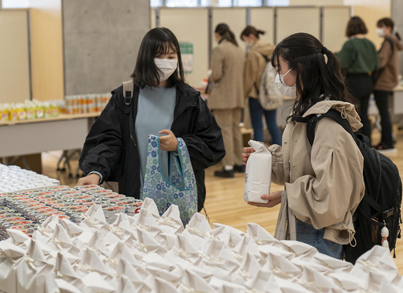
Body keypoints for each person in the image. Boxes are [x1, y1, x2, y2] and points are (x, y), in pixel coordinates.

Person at [244, 33, 365, 259]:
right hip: (302, 223)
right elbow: (301, 163)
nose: (278, 77)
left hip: (319, 234)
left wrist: (286, 195)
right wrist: (265, 158)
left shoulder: (327, 123)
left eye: (280, 70)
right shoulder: (307, 112)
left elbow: (330, 197)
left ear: (299, 69)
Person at [77, 27, 224, 212]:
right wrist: (96, 172)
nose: (166, 62)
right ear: (146, 57)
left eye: (171, 57)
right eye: (160, 56)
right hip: (134, 198)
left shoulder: (190, 99)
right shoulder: (125, 96)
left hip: (178, 203)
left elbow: (213, 144)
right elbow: (107, 140)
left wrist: (179, 145)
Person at [209, 23, 247, 178]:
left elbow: (216, 75)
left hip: (223, 97)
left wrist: (210, 76)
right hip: (237, 96)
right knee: (235, 130)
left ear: (218, 34)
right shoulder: (239, 49)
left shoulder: (219, 49)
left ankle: (228, 166)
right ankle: (239, 163)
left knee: (225, 131)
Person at [336, 16, 380, 140]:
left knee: (354, 115)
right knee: (364, 115)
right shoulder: (370, 43)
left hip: (354, 81)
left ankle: (357, 144)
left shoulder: (350, 44)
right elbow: (377, 64)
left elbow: (342, 63)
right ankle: (368, 143)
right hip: (368, 81)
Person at [241, 25, 282, 146]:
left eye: (245, 40)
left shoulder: (253, 54)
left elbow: (249, 78)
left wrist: (243, 94)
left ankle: (259, 156)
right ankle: (280, 152)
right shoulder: (272, 49)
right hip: (271, 93)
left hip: (256, 95)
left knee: (258, 127)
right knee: (272, 124)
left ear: (251, 37)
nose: (246, 43)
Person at [374, 18, 403, 152]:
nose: (379, 30)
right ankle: (387, 140)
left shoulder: (388, 42)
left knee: (384, 113)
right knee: (385, 113)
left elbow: (381, 61)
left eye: (381, 27)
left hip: (382, 82)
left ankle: (387, 142)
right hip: (388, 81)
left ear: (389, 28)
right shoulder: (394, 41)